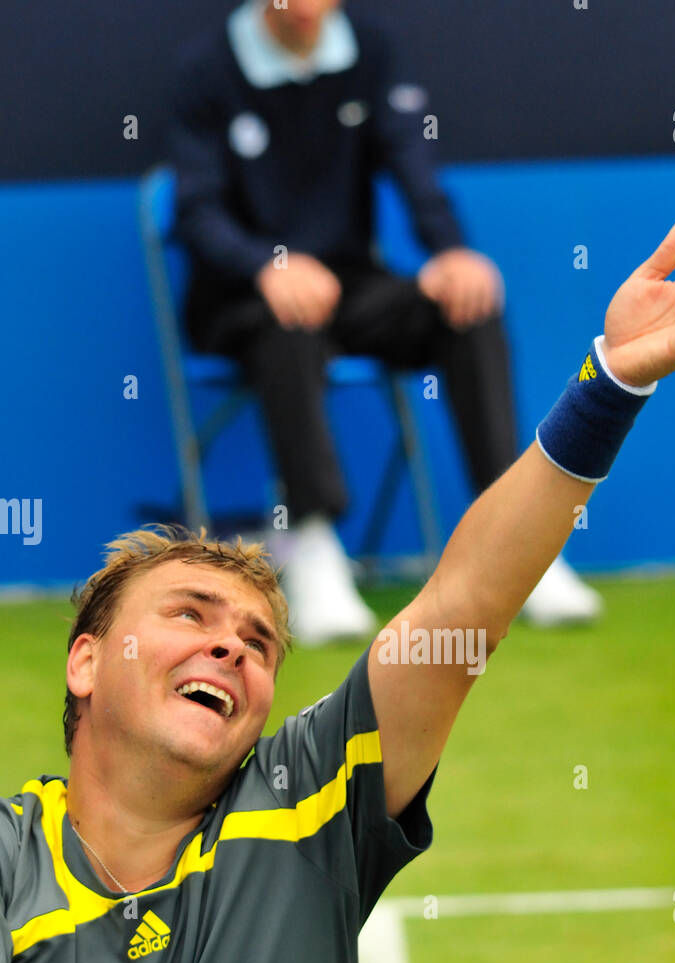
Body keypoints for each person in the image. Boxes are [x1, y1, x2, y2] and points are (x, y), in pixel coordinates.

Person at [0, 215, 675, 963]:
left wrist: (609, 388)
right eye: (189, 615)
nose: (230, 643)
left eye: (257, 640)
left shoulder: (308, 805)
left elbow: (463, 603)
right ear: (83, 664)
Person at [168, 0, 604, 644]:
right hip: (241, 299)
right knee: (286, 326)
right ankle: (312, 547)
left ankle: (518, 543)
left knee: (468, 305)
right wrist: (269, 265)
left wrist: (451, 252)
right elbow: (196, 212)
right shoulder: (206, 69)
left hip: (352, 289)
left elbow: (414, 169)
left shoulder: (370, 52)